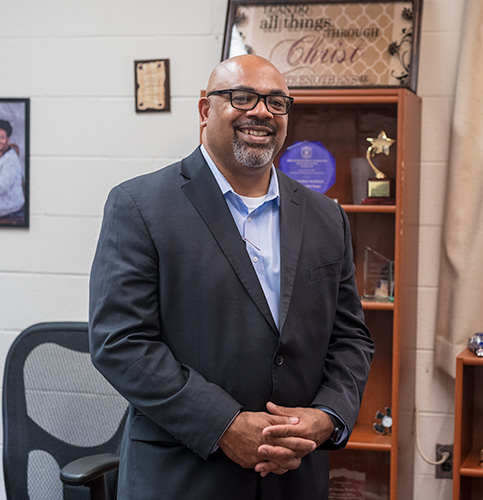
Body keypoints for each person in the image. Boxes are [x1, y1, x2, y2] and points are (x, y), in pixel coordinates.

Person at [89, 54, 375, 499]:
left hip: (295, 477)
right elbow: (120, 342)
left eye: (277, 102)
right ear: (206, 111)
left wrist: (327, 416)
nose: (262, 112)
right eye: (242, 97)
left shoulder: (326, 217)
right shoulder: (140, 206)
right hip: (184, 476)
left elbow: (351, 338)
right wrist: (224, 425)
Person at [0, 119, 25, 217]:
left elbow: (2, 187)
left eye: (2, 137)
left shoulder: (11, 159)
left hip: (10, 203)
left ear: (8, 139)